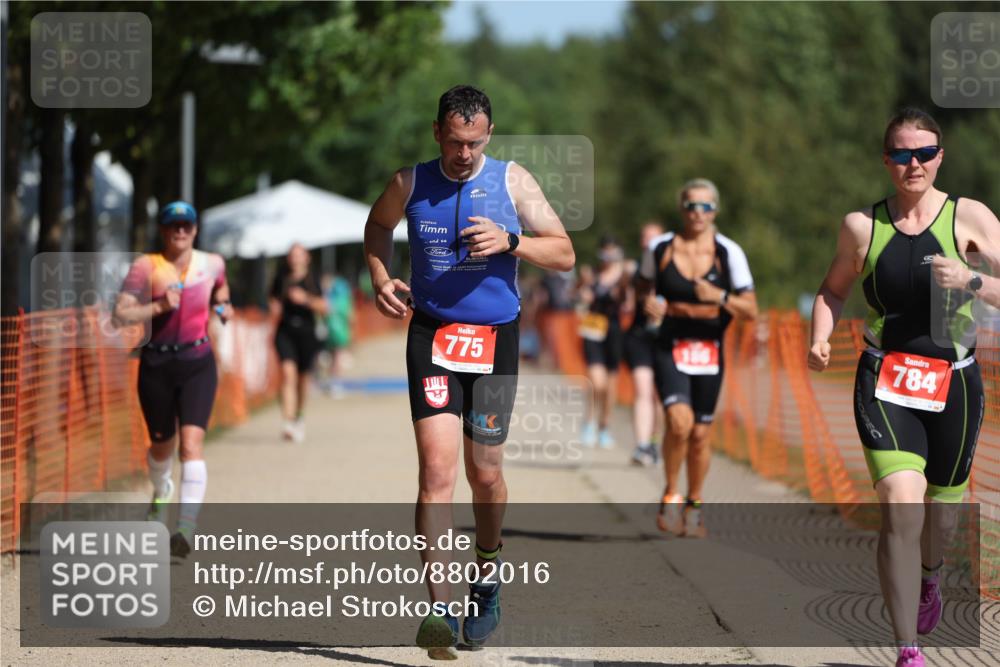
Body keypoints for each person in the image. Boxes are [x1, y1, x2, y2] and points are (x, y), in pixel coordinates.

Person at [363, 84, 574, 658]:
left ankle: (486, 573)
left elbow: (563, 252)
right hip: (431, 336)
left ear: (489, 136)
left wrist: (512, 241)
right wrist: (380, 277)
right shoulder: (409, 183)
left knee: (485, 473)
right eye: (455, 142)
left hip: (495, 339)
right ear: (437, 133)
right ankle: (438, 608)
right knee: (436, 471)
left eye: (475, 143)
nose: (464, 154)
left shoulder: (513, 181)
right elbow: (377, 227)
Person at [808, 107, 1000, 667]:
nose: (912, 164)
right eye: (900, 153)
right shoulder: (862, 227)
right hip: (885, 378)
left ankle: (931, 576)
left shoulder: (969, 217)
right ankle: (906, 648)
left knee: (941, 517)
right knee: (900, 504)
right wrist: (820, 337)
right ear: (885, 159)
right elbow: (832, 289)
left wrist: (971, 279)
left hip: (954, 382)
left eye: (924, 153)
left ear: (939, 157)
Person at [114, 201, 233, 558]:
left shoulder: (212, 263)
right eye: (173, 225)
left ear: (195, 230)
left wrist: (223, 307)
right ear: (163, 230)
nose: (180, 231)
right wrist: (158, 306)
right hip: (156, 364)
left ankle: (185, 529)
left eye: (186, 225)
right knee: (161, 447)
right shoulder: (146, 266)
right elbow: (120, 314)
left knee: (191, 446)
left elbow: (221, 290)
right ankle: (161, 490)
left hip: (197, 362)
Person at [640, 179, 758, 537]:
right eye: (692, 205)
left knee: (701, 434)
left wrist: (719, 296)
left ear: (715, 211)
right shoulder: (660, 248)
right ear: (682, 209)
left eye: (706, 206)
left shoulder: (729, 253)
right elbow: (642, 285)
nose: (698, 213)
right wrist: (648, 304)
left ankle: (694, 503)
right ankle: (671, 493)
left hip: (709, 348)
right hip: (670, 344)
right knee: (679, 423)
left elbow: (750, 309)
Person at [270, 243, 328, 442]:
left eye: (298, 255)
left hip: (307, 333)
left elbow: (324, 307)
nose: (294, 259)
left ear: (306, 258)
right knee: (287, 374)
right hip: (285, 332)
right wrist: (274, 306)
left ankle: (299, 416)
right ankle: (288, 421)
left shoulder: (312, 279)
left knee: (303, 379)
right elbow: (273, 299)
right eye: (292, 255)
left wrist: (305, 299)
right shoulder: (281, 278)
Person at [577, 237, 627, 448]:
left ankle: (604, 425)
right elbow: (577, 294)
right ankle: (588, 421)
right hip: (592, 328)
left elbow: (630, 303)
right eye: (604, 253)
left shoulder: (624, 276)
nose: (607, 258)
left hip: (613, 331)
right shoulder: (592, 274)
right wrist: (583, 290)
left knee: (610, 384)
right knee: (597, 382)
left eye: (611, 253)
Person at [627, 222, 667, 466]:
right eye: (645, 237)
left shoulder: (676, 268)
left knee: (661, 396)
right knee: (642, 391)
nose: (649, 242)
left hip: (666, 338)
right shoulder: (637, 270)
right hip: (640, 336)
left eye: (654, 237)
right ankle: (642, 445)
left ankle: (654, 442)